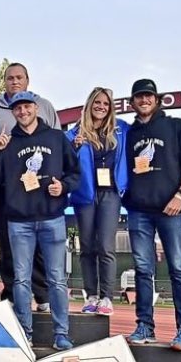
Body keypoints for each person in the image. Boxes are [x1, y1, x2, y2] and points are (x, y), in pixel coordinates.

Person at [0, 92, 80, 350]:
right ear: (13, 112)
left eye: (26, 107)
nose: (23, 112)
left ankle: (61, 333)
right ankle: (25, 332)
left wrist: (64, 186)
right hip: (19, 221)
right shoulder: (9, 142)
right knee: (21, 280)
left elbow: (75, 173)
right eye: (18, 109)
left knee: (57, 279)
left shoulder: (56, 138)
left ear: (35, 108)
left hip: (52, 218)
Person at [122, 79, 181, 352]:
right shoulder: (129, 133)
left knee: (178, 268)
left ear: (157, 99)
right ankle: (145, 325)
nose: (144, 100)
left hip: (170, 210)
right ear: (132, 102)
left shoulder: (176, 126)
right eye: (139, 97)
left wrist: (180, 195)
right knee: (143, 270)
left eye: (148, 96)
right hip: (138, 211)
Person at [0, 63, 58, 309]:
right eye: (10, 78)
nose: (14, 81)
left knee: (36, 243)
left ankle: (42, 295)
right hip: (0, 187)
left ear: (27, 80)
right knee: (6, 242)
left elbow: (55, 144)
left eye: (19, 77)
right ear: (4, 81)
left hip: (32, 188)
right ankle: (13, 294)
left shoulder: (44, 106)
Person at [68, 87, 129, 317]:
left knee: (105, 245)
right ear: (89, 105)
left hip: (110, 194)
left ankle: (106, 297)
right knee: (86, 247)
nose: (101, 107)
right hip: (85, 195)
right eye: (97, 103)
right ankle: (91, 295)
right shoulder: (75, 133)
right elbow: (64, 160)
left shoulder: (121, 129)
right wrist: (75, 146)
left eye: (105, 103)